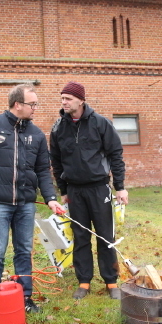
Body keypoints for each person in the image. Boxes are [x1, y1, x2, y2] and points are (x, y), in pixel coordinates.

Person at [0, 83, 63, 316]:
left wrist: (50, 198)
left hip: (26, 204)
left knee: (24, 250)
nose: (35, 108)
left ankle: (25, 297)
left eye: (36, 104)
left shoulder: (36, 135)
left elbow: (43, 171)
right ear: (17, 104)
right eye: (32, 104)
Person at [49, 81, 129, 300]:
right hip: (75, 191)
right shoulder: (58, 128)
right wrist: (63, 190)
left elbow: (116, 155)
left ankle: (111, 281)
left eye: (68, 98)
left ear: (81, 100)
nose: (64, 102)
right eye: (62, 98)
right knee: (81, 236)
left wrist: (120, 187)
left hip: (99, 189)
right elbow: (56, 160)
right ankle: (84, 281)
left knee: (105, 236)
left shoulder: (100, 123)